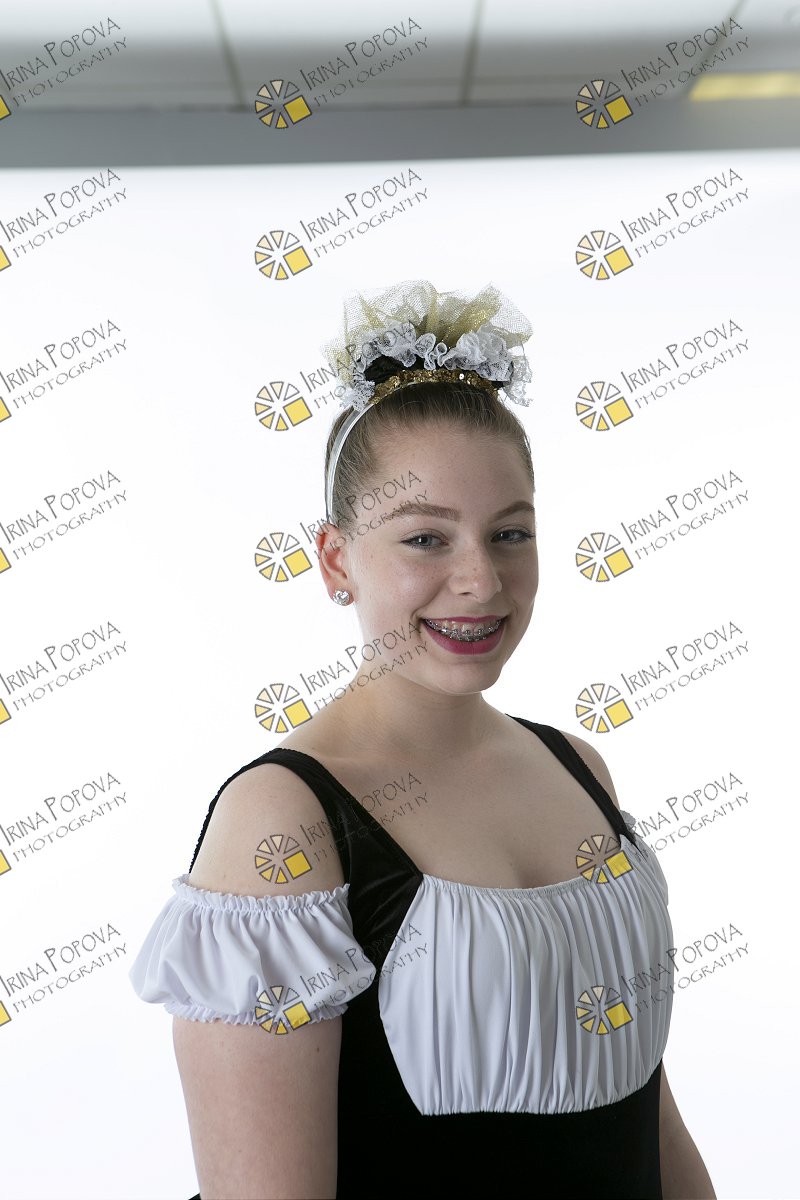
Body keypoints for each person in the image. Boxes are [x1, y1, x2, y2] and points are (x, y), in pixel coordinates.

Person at [128, 280, 716, 1200]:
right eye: (426, 540)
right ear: (335, 559)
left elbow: (649, 1118)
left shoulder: (578, 768)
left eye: (509, 532)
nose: (481, 580)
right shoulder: (287, 822)